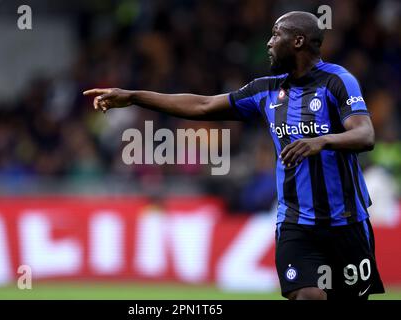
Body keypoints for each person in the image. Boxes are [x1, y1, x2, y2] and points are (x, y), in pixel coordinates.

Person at [83, 11, 385, 300]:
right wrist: (135, 97)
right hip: (296, 223)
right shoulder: (265, 90)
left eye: (276, 34)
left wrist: (322, 141)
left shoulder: (337, 81)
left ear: (298, 41)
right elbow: (202, 106)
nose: (269, 42)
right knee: (307, 294)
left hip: (347, 222)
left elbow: (364, 134)